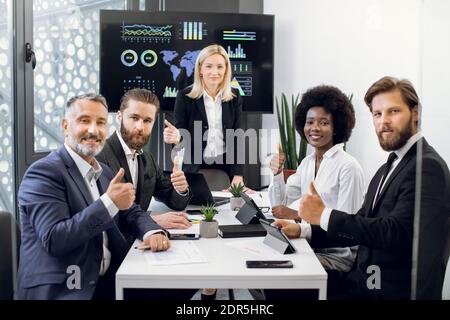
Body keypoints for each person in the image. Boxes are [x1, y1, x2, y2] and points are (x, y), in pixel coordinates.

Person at [282, 76, 450, 299]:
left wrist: (323, 215)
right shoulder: (388, 167)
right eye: (377, 114)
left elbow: (395, 233)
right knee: (280, 280)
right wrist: (303, 230)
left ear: (415, 113)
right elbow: (361, 224)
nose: (384, 122)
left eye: (394, 111)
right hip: (365, 281)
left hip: (385, 292)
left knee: (286, 287)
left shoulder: (427, 166)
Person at [17, 93, 170, 300]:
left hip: (107, 279)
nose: (94, 130)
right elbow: (55, 239)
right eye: (84, 121)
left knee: (182, 283)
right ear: (65, 125)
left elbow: (133, 212)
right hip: (67, 287)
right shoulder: (43, 173)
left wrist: (152, 232)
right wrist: (109, 203)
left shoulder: (104, 171)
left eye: (100, 122)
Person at [268, 85, 365, 273]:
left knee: (277, 274)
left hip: (336, 256)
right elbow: (280, 206)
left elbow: (346, 228)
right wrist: (277, 173)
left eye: (324, 122)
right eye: (310, 122)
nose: (314, 128)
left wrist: (298, 215)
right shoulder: (307, 163)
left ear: (337, 127)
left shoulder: (348, 167)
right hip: (309, 245)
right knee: (260, 266)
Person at [96, 88, 192, 234]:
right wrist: (151, 221)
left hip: (143, 242)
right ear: (119, 117)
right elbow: (100, 216)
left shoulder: (148, 159)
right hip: (115, 250)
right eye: (134, 118)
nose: (140, 127)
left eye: (147, 120)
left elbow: (175, 203)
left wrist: (181, 189)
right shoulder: (100, 156)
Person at [163, 44, 250, 190]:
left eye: (220, 67)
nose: (214, 72)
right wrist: (178, 137)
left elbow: (237, 137)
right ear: (200, 69)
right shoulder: (184, 96)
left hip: (227, 163)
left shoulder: (235, 96)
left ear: (226, 69)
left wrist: (238, 175)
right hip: (194, 163)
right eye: (209, 66)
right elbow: (181, 134)